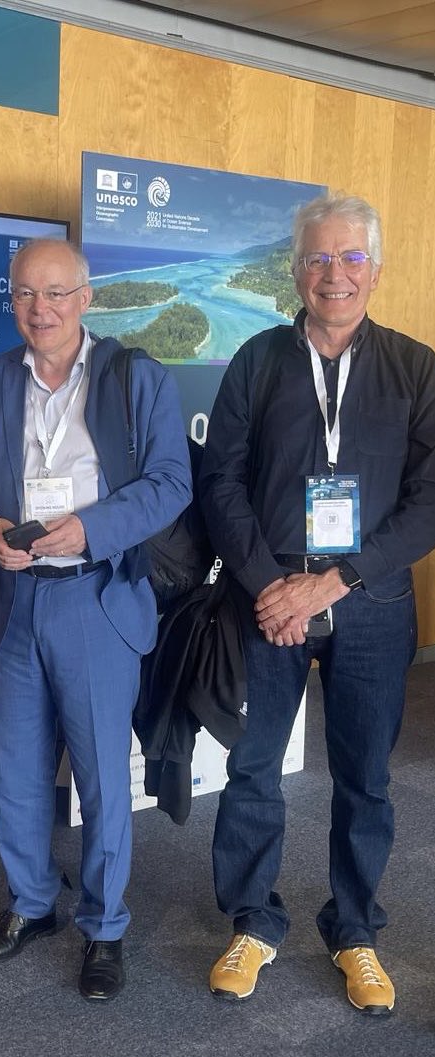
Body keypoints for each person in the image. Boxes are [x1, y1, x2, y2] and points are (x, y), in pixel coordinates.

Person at [200, 192, 435, 1015]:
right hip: (265, 601)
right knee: (252, 768)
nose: (332, 274)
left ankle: (356, 929)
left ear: (375, 266)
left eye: (349, 257)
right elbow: (218, 481)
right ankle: (252, 920)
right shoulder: (256, 361)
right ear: (293, 269)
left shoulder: (416, 367)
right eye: (315, 259)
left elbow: (427, 501)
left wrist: (332, 581)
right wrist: (269, 583)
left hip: (368, 604)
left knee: (365, 778)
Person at [0, 238, 191, 1000]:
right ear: (10, 300)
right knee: (14, 771)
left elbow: (170, 481)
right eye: (24, 293)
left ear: (85, 299)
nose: (39, 308)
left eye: (55, 293)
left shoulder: (134, 377)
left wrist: (94, 528)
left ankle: (104, 926)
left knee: (99, 778)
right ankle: (28, 905)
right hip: (11, 598)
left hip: (93, 596)